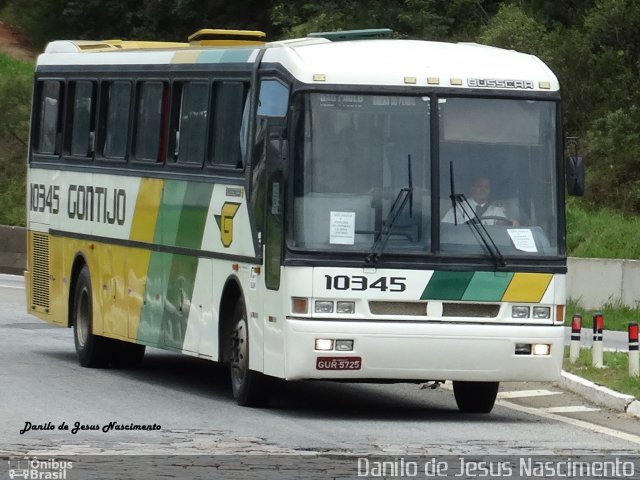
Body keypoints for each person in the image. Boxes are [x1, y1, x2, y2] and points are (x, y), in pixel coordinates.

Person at [442, 176, 519, 226]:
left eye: (486, 187)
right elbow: (445, 229)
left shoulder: (496, 210)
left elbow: (503, 228)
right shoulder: (460, 208)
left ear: (490, 191)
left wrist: (511, 223)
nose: (483, 190)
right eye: (480, 186)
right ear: (472, 188)